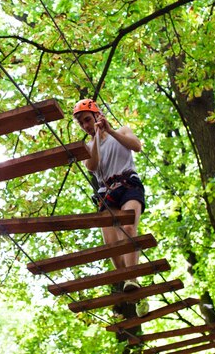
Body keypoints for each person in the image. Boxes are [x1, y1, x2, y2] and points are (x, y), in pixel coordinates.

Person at [73, 99, 149, 316]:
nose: (86, 125)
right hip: (107, 194)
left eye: (88, 120)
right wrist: (96, 136)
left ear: (98, 115)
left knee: (129, 228)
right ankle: (130, 285)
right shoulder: (88, 147)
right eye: (82, 124)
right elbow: (92, 166)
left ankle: (132, 278)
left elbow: (136, 146)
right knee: (112, 246)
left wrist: (110, 130)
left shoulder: (123, 130)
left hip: (128, 185)